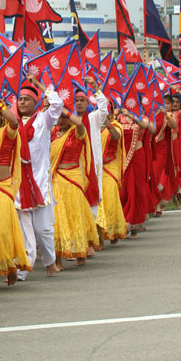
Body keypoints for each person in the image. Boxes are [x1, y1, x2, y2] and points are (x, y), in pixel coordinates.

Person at [0, 93, 30, 285]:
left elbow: (14, 121)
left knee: (1, 232)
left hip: (2, 189)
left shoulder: (7, 132)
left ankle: (10, 266)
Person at [15, 75, 62, 279]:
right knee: (25, 232)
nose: (22, 102)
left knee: (43, 230)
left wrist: (39, 85)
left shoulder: (44, 119)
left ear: (36, 102)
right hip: (18, 184)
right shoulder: (12, 122)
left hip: (40, 183)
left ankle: (50, 262)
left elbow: (58, 103)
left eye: (27, 99)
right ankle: (22, 270)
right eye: (20, 99)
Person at [50, 108, 99, 270]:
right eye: (58, 117)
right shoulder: (51, 133)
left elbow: (79, 123)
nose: (61, 120)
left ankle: (80, 251)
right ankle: (57, 260)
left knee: (75, 214)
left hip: (73, 178)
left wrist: (63, 107)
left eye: (64, 117)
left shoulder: (76, 132)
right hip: (56, 178)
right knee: (58, 218)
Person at [74, 78, 107, 247]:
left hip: (92, 166)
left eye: (82, 101)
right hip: (73, 168)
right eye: (76, 100)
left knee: (93, 200)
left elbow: (104, 107)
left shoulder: (93, 118)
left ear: (88, 102)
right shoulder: (67, 120)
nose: (79, 104)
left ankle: (91, 238)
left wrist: (95, 87)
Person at [117, 110, 156, 237]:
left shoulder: (142, 118)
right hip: (122, 157)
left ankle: (133, 222)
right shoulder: (119, 117)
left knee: (136, 189)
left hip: (137, 156)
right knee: (124, 190)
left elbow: (147, 127)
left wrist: (130, 115)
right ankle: (123, 219)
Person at [96, 113, 128, 242]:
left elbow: (116, 137)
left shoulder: (116, 126)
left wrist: (108, 124)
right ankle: (100, 236)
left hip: (111, 166)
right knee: (98, 203)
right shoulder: (93, 125)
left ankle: (113, 230)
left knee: (110, 198)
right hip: (97, 168)